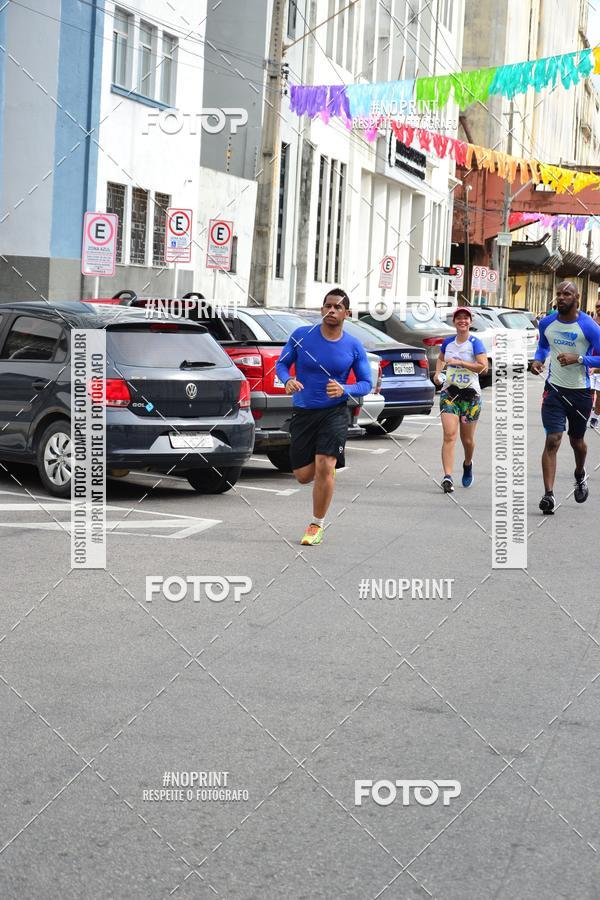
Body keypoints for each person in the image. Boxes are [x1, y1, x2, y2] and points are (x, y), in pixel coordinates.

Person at [275, 288, 372, 545]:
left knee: (324, 465)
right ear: (321, 310)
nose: (332, 310)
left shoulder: (353, 346)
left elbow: (365, 383)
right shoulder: (301, 336)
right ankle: (326, 473)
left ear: (347, 314)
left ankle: (316, 525)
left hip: (335, 412)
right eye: (328, 306)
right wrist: (287, 380)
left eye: (338, 307)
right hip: (304, 411)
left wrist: (345, 388)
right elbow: (282, 364)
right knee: (303, 475)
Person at [530, 281, 600, 514]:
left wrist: (579, 359)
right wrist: (538, 360)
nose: (561, 297)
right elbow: (542, 346)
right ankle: (548, 495)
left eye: (566, 294)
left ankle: (579, 473)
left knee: (576, 442)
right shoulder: (548, 322)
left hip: (581, 392)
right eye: (558, 293)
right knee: (553, 439)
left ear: (577, 298)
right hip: (554, 390)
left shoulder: (589, 327)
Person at [433, 307, 488, 493]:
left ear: (470, 322)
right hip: (450, 394)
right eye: (459, 318)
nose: (462, 321)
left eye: (466, 318)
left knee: (467, 440)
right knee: (449, 435)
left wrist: (462, 363)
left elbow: (484, 368)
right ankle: (447, 476)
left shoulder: (475, 343)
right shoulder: (448, 343)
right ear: (454, 322)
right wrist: (438, 374)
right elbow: (441, 359)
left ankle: (467, 463)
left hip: (471, 396)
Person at [589, 298, 600, 429]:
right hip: (589, 365)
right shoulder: (590, 324)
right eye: (597, 306)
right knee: (589, 394)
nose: (599, 308)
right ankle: (586, 415)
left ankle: (595, 418)